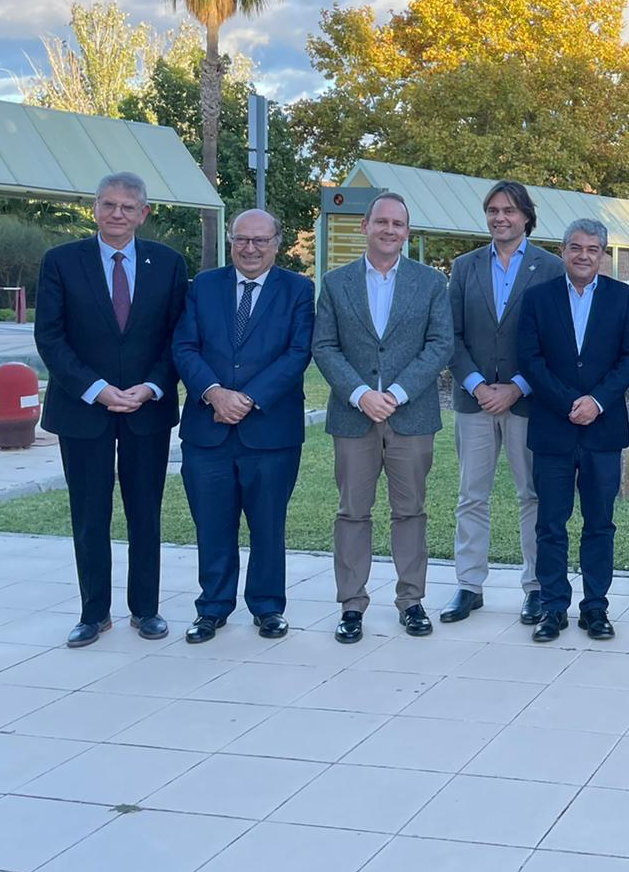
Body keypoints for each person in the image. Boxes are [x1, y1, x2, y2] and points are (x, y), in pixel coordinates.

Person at [34, 172, 187, 648]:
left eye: (127, 207)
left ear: (144, 213)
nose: (116, 214)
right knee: (89, 513)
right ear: (94, 208)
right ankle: (93, 613)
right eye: (107, 205)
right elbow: (50, 337)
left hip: (146, 409)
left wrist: (153, 387)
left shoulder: (167, 263)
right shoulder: (61, 261)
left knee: (146, 512)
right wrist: (96, 388)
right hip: (84, 410)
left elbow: (177, 337)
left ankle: (146, 610)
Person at [312, 192, 452, 644]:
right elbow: (324, 346)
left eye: (398, 224)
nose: (390, 230)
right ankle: (351, 604)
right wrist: (359, 395)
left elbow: (439, 345)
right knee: (353, 512)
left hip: (411, 414)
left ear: (407, 232)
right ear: (365, 227)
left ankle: (411, 601)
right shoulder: (335, 283)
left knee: (410, 511)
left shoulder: (431, 283)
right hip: (354, 417)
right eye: (382, 222)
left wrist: (393, 393)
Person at [172, 209, 315, 643]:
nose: (250, 248)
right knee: (211, 523)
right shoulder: (203, 287)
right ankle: (212, 608)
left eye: (260, 240)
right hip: (208, 428)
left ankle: (268, 608)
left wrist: (247, 399)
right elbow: (184, 346)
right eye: (242, 239)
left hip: (270, 430)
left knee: (268, 524)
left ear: (277, 243)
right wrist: (215, 393)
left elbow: (298, 352)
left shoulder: (298, 289)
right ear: (230, 241)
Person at [517, 219, 629, 643]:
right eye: (576, 247)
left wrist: (597, 401)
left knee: (600, 523)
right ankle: (553, 607)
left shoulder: (624, 299)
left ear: (603, 254)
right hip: (553, 428)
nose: (584, 255)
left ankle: (595, 607)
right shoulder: (537, 299)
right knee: (551, 523)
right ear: (563, 251)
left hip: (602, 430)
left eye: (593, 248)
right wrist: (567, 401)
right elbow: (530, 360)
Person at [443, 180, 562, 627]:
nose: (500, 218)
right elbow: (450, 335)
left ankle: (535, 586)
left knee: (532, 495)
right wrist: (476, 385)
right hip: (474, 401)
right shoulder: (465, 266)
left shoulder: (550, 268)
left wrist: (516, 387)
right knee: (471, 495)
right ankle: (469, 585)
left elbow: (556, 339)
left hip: (528, 402)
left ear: (526, 216)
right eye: (493, 210)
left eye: (509, 210)